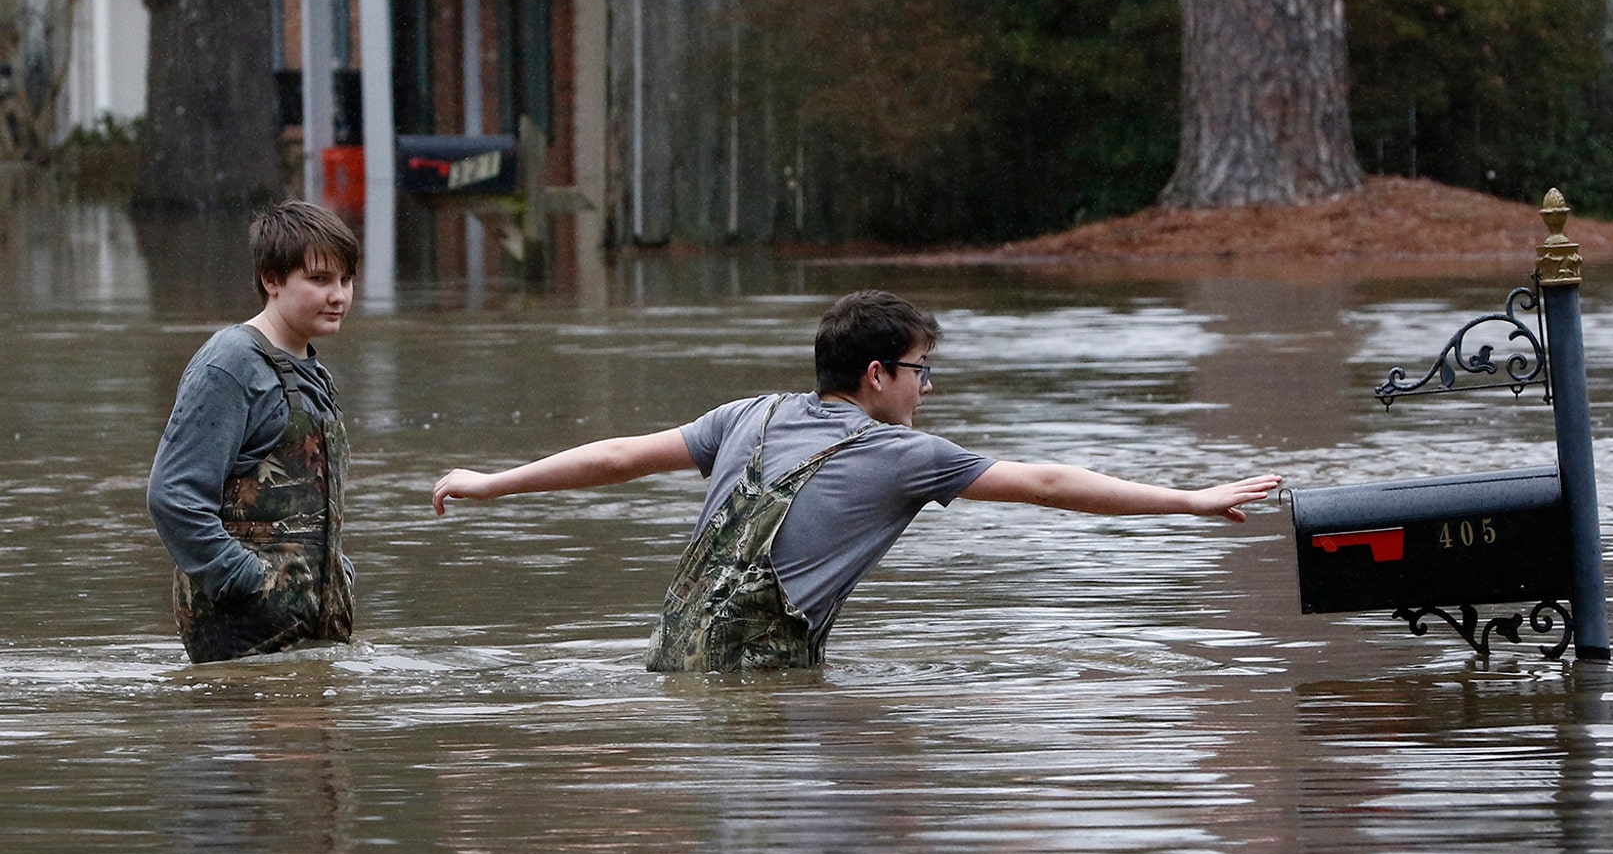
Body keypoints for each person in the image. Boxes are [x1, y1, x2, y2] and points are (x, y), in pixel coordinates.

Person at [432, 290, 1280, 672]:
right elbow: (1050, 483)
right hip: (764, 683)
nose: (927, 388)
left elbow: (617, 457)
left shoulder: (748, 415)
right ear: (877, 375)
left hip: (674, 662)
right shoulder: (904, 456)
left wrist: (491, 483)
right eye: (920, 370)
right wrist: (1189, 501)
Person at [148, 200, 359, 663]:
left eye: (345, 280)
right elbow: (173, 496)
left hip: (310, 631)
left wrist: (336, 574)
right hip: (244, 636)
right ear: (272, 280)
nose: (339, 295)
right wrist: (247, 580)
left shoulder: (312, 370)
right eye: (320, 279)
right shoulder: (231, 363)